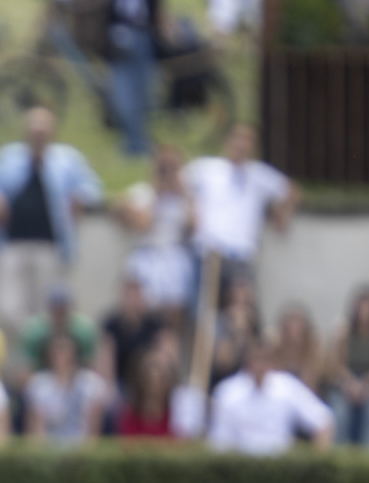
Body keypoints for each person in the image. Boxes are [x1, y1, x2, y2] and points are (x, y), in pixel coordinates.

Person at [0, 107, 104, 326]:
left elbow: (93, 188)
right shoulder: (8, 157)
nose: (38, 136)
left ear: (52, 133)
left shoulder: (67, 160)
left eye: (43, 131)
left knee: (46, 309)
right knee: (5, 306)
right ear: (26, 132)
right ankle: (25, 347)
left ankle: (38, 354)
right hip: (10, 245)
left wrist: (79, 198)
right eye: (34, 131)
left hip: (50, 246)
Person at [183, 123, 296, 286]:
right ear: (226, 141)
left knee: (240, 308)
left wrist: (279, 216)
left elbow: (291, 191)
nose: (242, 144)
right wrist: (191, 208)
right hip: (207, 256)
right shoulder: (207, 168)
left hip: (241, 257)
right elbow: (179, 183)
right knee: (204, 309)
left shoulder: (260, 174)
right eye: (238, 138)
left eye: (248, 140)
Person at [207, 336, 334, 455]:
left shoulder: (287, 386)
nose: (260, 366)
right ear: (247, 361)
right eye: (256, 359)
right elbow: (219, 444)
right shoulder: (228, 391)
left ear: (272, 361)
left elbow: (323, 420)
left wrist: (318, 463)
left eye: (265, 359)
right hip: (239, 466)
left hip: (280, 466)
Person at [116, 145, 199, 320]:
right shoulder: (142, 192)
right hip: (147, 255)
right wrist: (157, 193)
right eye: (163, 168)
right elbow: (143, 224)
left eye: (172, 168)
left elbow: (194, 227)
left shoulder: (184, 197)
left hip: (174, 256)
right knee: (141, 309)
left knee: (175, 310)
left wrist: (183, 192)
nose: (168, 173)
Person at [102, 0, 167, 159]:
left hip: (142, 43)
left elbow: (157, 13)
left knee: (142, 96)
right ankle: (130, 141)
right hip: (120, 44)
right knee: (122, 97)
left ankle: (139, 143)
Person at [324, 285, 369, 447]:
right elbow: (337, 366)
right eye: (362, 308)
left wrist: (365, 387)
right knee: (339, 411)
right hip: (346, 384)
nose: (365, 313)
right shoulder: (343, 332)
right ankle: (339, 458)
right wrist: (351, 384)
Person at [24, 332, 111, 443]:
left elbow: (94, 430)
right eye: (57, 350)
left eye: (65, 349)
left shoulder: (92, 383)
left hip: (82, 450)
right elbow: (36, 429)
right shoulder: (38, 384)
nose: (61, 355)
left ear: (75, 353)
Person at [101, 274, 164, 392]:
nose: (132, 299)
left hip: (150, 383)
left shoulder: (156, 325)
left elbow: (164, 360)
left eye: (136, 293)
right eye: (128, 293)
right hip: (120, 385)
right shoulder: (111, 325)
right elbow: (106, 364)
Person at [117, 342, 180, 439]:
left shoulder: (177, 416)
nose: (155, 382)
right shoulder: (127, 416)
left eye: (162, 377)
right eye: (150, 379)